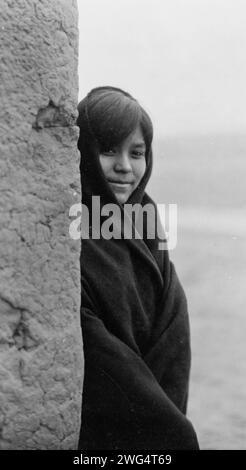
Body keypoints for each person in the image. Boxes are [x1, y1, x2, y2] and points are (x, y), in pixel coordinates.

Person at [76, 86, 199, 450]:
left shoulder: (147, 220)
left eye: (138, 153)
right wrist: (172, 431)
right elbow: (99, 354)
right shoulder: (70, 235)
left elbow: (173, 326)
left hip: (161, 409)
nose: (125, 167)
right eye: (109, 149)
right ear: (82, 151)